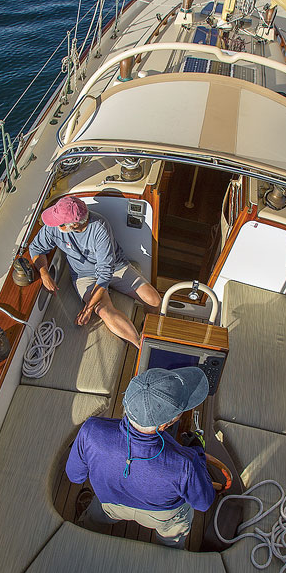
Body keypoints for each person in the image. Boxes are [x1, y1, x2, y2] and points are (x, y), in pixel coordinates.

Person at [65, 367, 215, 548]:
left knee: (98, 515)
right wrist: (198, 453)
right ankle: (170, 553)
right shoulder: (186, 463)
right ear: (165, 425)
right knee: (175, 530)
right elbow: (203, 502)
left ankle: (88, 526)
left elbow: (75, 476)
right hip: (162, 516)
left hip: (110, 503)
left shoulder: (91, 430)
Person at [29, 195, 161, 347]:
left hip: (115, 267)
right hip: (84, 276)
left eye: (59, 224)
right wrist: (44, 273)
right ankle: (140, 346)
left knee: (154, 300)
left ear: (73, 226)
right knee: (105, 311)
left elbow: (105, 273)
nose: (54, 224)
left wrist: (88, 308)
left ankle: (147, 327)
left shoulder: (99, 227)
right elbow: (36, 248)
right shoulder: (53, 228)